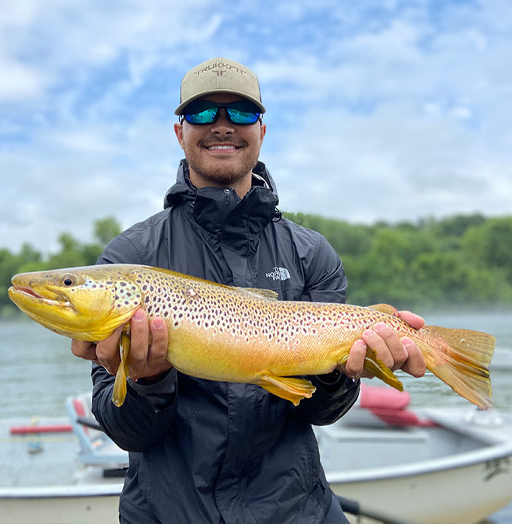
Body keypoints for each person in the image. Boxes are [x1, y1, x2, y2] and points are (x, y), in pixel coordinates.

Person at [71, 57, 426, 524]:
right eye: (202, 114)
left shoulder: (312, 253)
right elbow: (126, 433)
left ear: (261, 130)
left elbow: (324, 411)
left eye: (239, 113)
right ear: (180, 132)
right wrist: (146, 382)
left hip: (298, 512)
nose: (222, 126)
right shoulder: (129, 256)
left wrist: (342, 374)